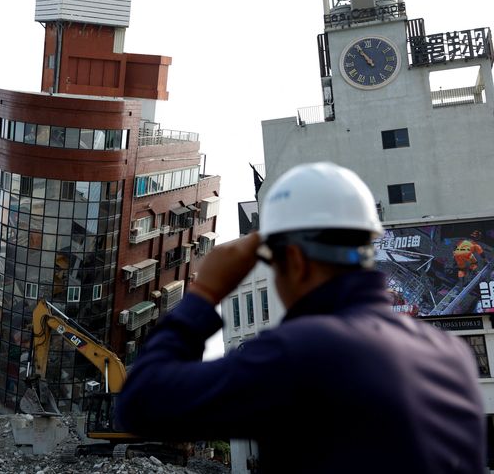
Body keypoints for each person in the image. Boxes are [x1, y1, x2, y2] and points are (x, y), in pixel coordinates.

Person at [116, 162, 485, 474]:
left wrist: (203, 294)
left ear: (293, 260)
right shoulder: (452, 358)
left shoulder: (299, 353)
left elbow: (140, 403)